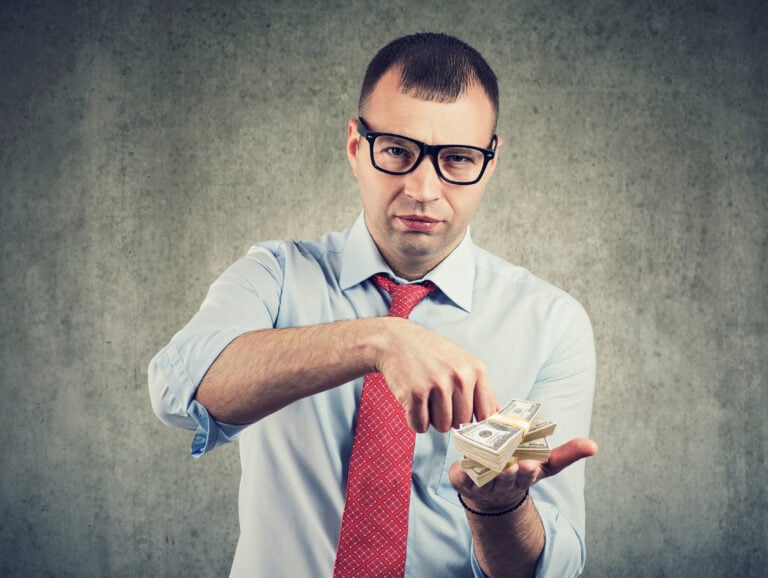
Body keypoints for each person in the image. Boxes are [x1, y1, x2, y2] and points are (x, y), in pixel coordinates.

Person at [149, 32, 597, 578]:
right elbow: (177, 390)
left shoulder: (549, 325)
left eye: (457, 159)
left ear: (491, 161)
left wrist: (497, 506)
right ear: (357, 147)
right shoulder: (278, 276)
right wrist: (381, 339)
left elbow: (553, 567)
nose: (424, 188)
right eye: (397, 152)